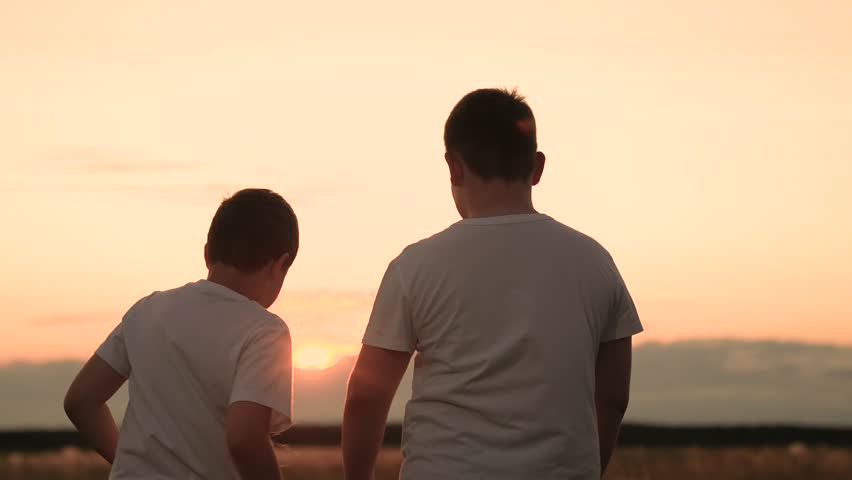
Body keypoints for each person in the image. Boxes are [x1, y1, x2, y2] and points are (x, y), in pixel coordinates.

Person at [342, 88, 643, 480]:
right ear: (537, 167)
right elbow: (615, 396)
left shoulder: (415, 266)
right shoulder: (596, 262)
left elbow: (366, 397)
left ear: (453, 167)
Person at [64, 188, 298, 480]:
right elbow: (244, 437)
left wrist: (128, 463)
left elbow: (80, 401)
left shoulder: (148, 309)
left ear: (207, 253)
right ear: (279, 265)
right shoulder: (265, 332)